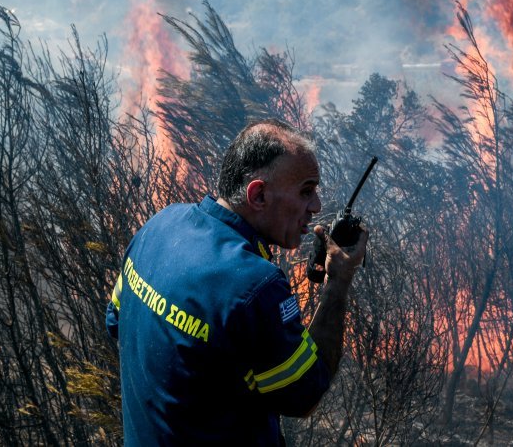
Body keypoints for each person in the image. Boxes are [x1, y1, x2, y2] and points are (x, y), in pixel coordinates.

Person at [106, 119, 368, 445]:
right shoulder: (255, 285)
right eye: (305, 191)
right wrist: (338, 280)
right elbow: (304, 393)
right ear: (258, 195)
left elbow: (116, 321)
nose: (315, 206)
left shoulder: (160, 224)